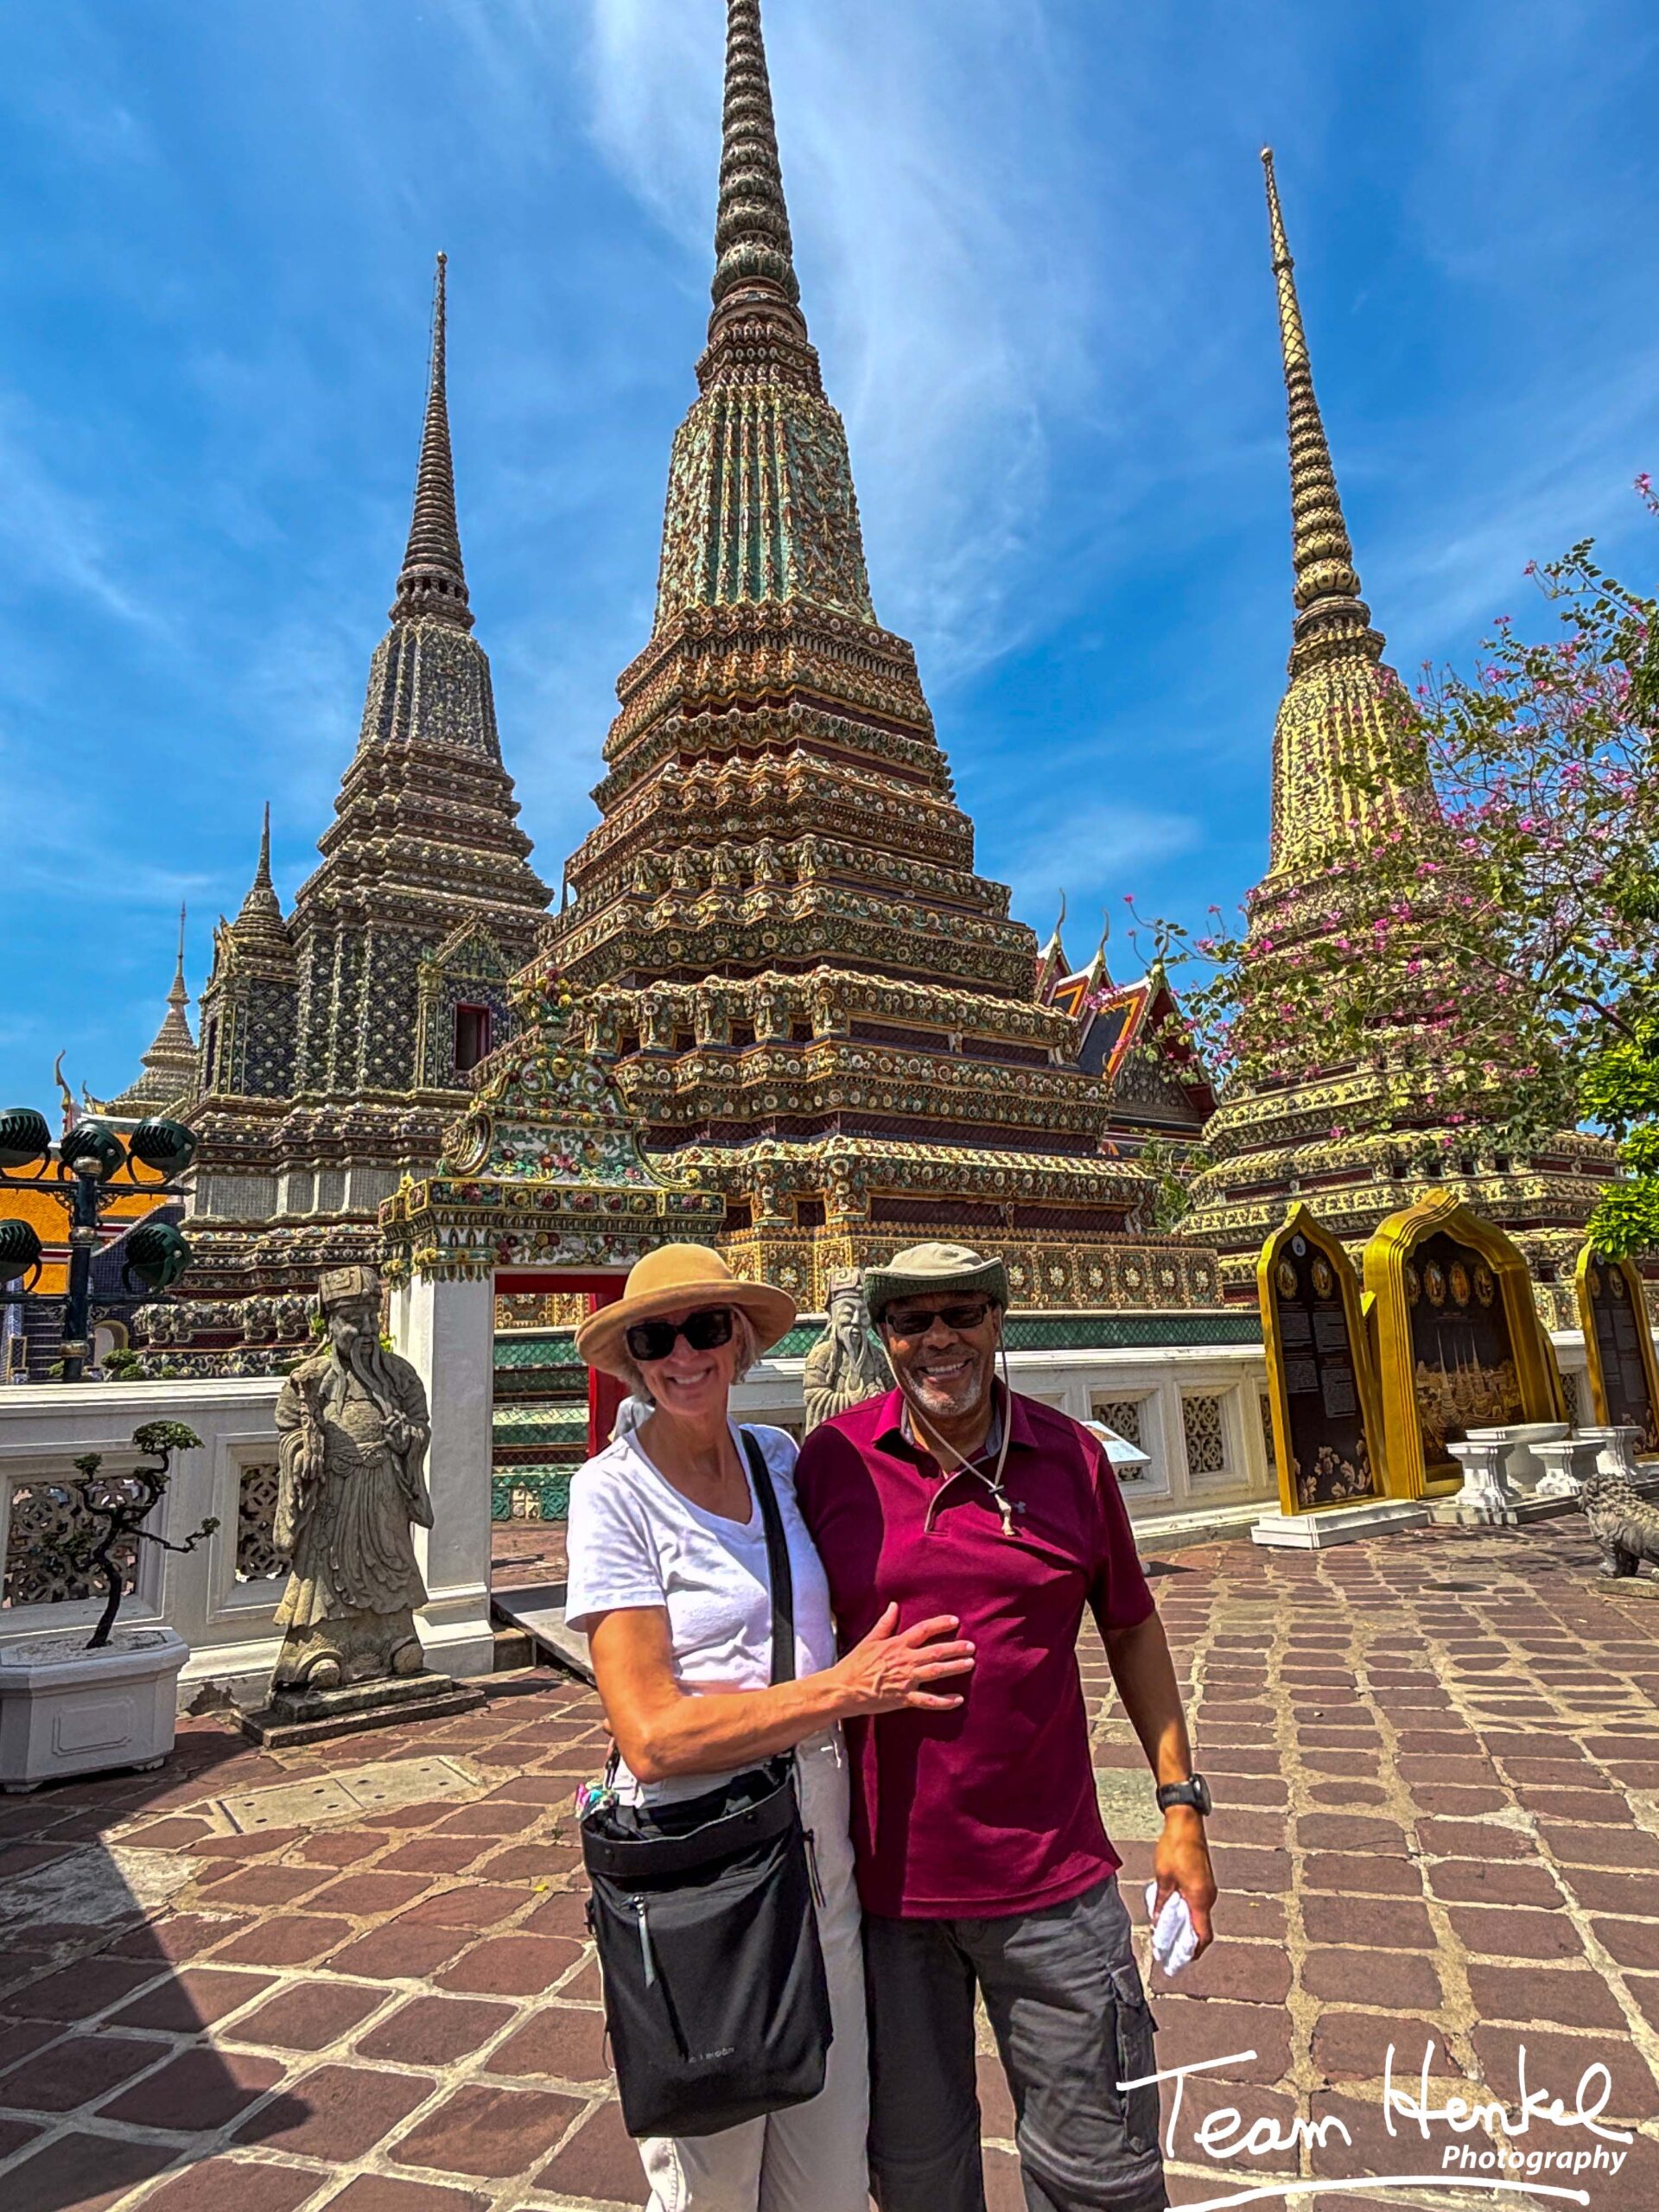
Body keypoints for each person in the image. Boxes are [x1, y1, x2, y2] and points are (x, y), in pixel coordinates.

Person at [795, 1242, 1218, 2212]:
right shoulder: (832, 1462)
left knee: (1101, 2179)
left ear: (997, 1321)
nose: (938, 1339)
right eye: (912, 1321)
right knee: (915, 2178)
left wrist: (1181, 1807)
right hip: (885, 1894)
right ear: (883, 1337)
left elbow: (1131, 1625)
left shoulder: (1071, 1457)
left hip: (1053, 1883)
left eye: (961, 1314)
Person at [567, 1243, 976, 2212]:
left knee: (830, 2177)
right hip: (702, 1859)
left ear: (741, 1341)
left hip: (819, 1854)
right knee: (712, 2185)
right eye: (656, 1340)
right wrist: (842, 1691)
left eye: (707, 1328)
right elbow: (652, 1736)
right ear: (632, 1360)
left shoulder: (782, 1461)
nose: (684, 1356)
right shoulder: (612, 1493)